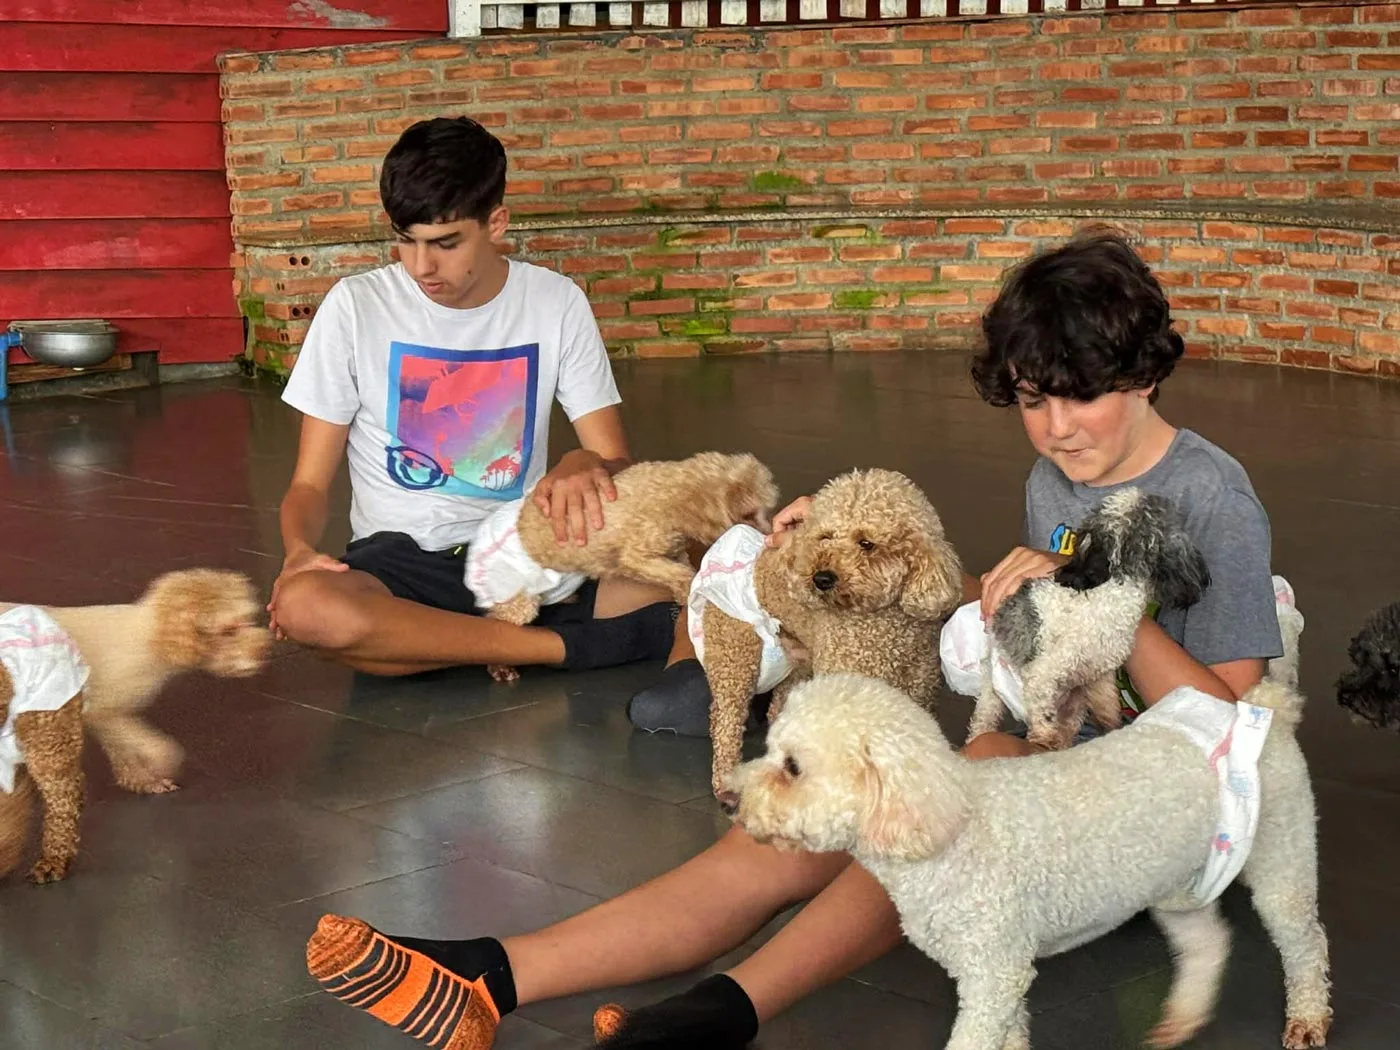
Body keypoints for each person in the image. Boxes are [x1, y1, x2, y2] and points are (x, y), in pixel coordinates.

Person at [300, 230, 1284, 1050]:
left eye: (1081, 397)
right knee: (827, 790)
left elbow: (1230, 731)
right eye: (1033, 402)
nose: (1058, 428)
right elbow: (1009, 610)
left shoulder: (1211, 496)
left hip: (1170, 812)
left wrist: (1105, 605)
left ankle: (721, 1014)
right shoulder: (1059, 476)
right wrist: (832, 555)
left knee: (953, 785)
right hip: (1059, 761)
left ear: (1145, 371)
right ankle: (495, 975)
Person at [268, 116, 693, 686]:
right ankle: (560, 647)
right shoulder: (355, 306)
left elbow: (618, 465)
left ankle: (436, 641)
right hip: (399, 564)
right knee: (306, 607)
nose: (421, 266)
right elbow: (308, 485)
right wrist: (297, 551)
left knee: (694, 543)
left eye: (445, 243)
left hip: (529, 553)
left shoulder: (555, 301)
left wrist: (581, 460)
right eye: (407, 240)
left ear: (496, 223)